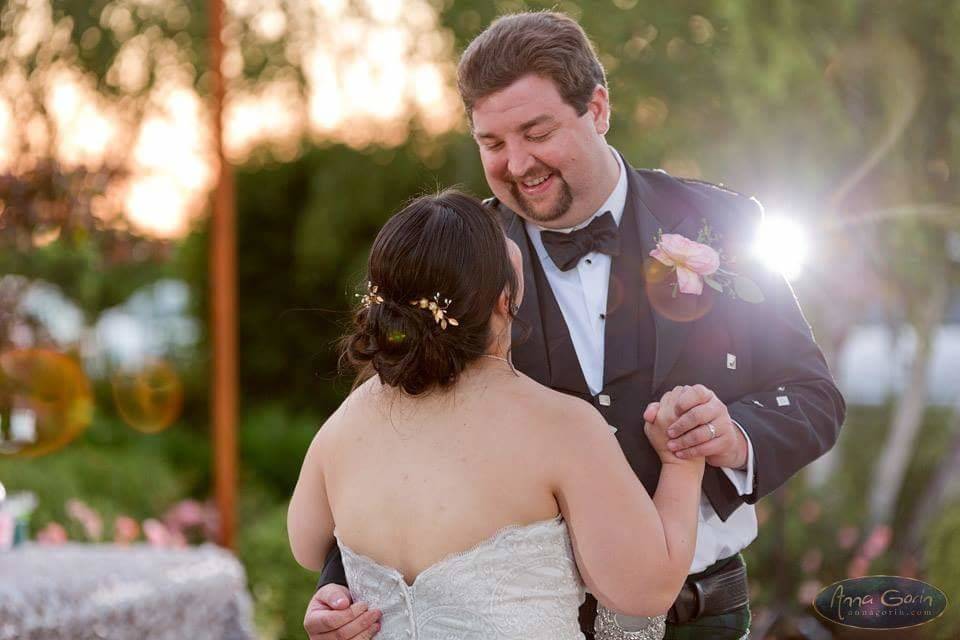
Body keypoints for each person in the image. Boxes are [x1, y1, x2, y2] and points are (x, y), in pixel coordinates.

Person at [304, 11, 845, 640]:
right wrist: (342, 589)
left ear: (597, 108)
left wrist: (735, 437)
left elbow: (814, 397)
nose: (516, 163)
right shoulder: (460, 255)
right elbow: (390, 433)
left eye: (537, 132)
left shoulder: (720, 223)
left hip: (703, 615)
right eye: (492, 143)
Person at [288, 190, 706, 640]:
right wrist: (683, 462)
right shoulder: (559, 426)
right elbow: (647, 590)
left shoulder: (348, 420)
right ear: (504, 298)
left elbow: (307, 546)